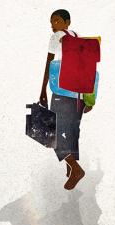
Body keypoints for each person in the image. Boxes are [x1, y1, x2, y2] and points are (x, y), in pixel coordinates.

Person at [39, 9, 93, 190]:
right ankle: (70, 169)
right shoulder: (77, 36)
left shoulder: (56, 38)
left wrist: (43, 91)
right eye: (51, 22)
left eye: (56, 21)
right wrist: (88, 97)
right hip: (78, 95)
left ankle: (76, 169)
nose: (52, 25)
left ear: (66, 22)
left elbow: (48, 64)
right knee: (71, 131)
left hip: (62, 94)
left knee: (53, 133)